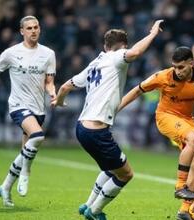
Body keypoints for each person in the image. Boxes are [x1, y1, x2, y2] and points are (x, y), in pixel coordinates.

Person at [51, 20, 164, 220]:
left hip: (82, 127)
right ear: (123, 45)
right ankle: (95, 212)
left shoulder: (95, 63)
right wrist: (153, 33)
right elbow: (136, 53)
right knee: (126, 174)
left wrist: (59, 102)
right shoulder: (116, 58)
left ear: (105, 46)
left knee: (111, 168)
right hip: (96, 131)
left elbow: (65, 87)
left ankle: (88, 205)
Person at [118, 46, 194, 220]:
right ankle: (180, 186)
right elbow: (137, 90)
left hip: (187, 120)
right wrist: (115, 110)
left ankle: (185, 211)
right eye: (175, 67)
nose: (177, 71)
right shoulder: (162, 76)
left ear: (191, 63)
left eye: (181, 67)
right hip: (165, 117)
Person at [0, 15, 56, 207]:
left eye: (36, 27)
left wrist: (53, 94)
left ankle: (5, 187)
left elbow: (49, 81)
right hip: (18, 106)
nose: (33, 31)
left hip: (38, 109)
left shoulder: (48, 54)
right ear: (22, 31)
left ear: (40, 29)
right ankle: (26, 173)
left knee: (25, 151)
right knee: (38, 136)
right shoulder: (11, 53)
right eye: (29, 28)